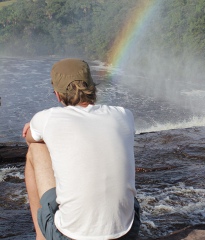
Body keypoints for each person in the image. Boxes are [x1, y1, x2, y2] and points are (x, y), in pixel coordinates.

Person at [22, 58, 140, 240]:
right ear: (93, 87)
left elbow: (30, 137)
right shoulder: (124, 115)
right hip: (127, 232)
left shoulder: (48, 118)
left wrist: (35, 126)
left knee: (35, 149)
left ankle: (41, 236)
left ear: (57, 95)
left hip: (71, 236)